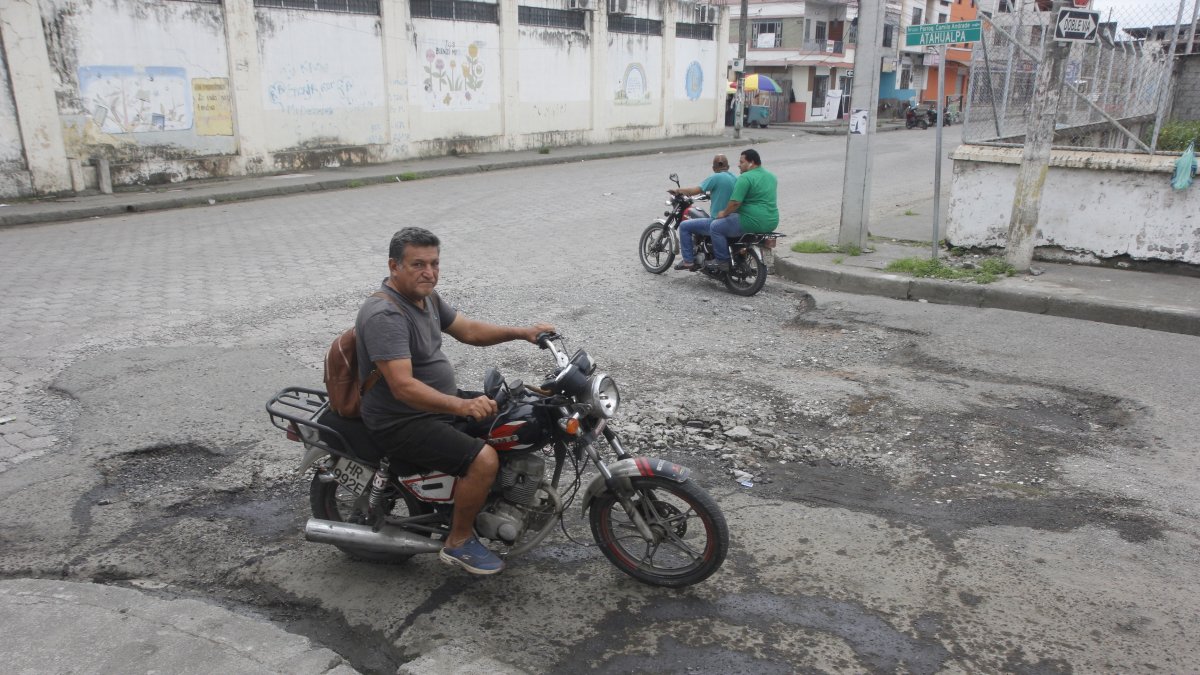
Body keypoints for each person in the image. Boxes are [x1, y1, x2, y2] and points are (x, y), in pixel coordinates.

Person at [356, 227, 554, 576]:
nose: (429, 272)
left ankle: (489, 502)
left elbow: (469, 331)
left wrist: (522, 333)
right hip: (401, 419)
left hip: (435, 405)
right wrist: (461, 406)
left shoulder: (426, 298)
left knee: (513, 416)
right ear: (394, 266)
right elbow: (402, 387)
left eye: (434, 263)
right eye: (418, 264)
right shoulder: (385, 315)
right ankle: (459, 540)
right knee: (483, 459)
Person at [706, 149, 779, 272]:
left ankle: (722, 261)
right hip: (772, 221)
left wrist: (723, 213)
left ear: (751, 163)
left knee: (715, 227)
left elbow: (735, 202)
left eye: (741, 162)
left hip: (751, 221)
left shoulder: (745, 177)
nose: (739, 165)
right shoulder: (771, 177)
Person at [669, 154, 737, 272]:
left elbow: (694, 191)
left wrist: (678, 190)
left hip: (718, 221)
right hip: (732, 220)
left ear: (713, 168)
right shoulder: (735, 178)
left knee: (684, 226)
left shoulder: (715, 177)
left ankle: (688, 261)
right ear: (728, 166)